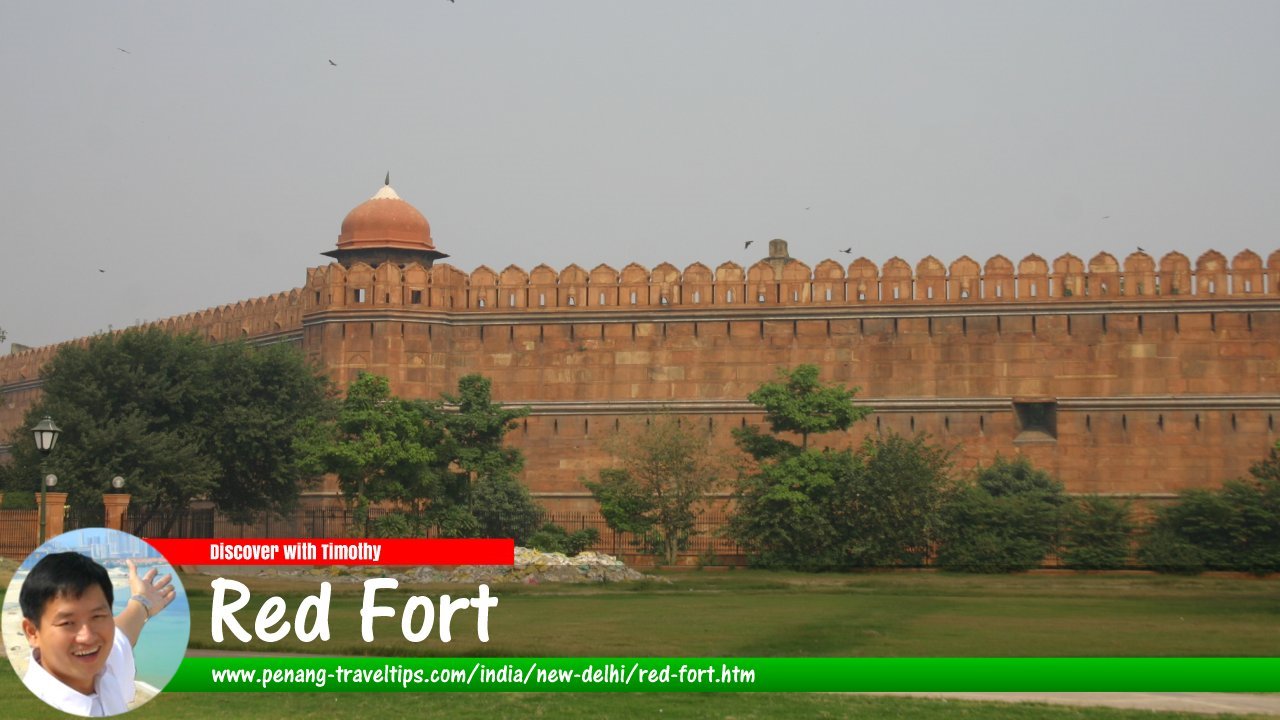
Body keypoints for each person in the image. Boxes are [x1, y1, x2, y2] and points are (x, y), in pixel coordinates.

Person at [19, 552, 177, 717]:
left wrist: (142, 601)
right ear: (32, 632)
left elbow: (121, 636)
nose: (87, 637)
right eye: (67, 623)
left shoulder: (103, 668)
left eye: (97, 616)